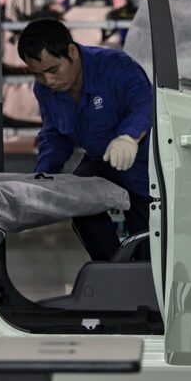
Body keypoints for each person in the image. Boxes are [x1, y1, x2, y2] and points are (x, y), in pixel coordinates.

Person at [17, 19, 152, 262]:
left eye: (53, 70)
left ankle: (146, 279)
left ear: (71, 52)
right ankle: (112, 268)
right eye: (38, 75)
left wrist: (128, 137)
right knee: (77, 198)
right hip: (100, 160)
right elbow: (56, 135)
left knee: (148, 240)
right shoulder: (45, 90)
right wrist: (42, 176)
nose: (48, 81)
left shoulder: (115, 66)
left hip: (142, 162)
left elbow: (144, 104)